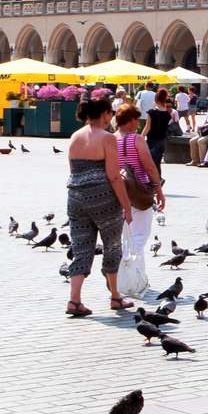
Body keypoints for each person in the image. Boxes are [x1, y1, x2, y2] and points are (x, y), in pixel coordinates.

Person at [64, 97, 131, 317]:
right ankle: (115, 297)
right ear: (104, 114)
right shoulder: (107, 138)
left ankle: (74, 301)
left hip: (75, 197)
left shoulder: (75, 136)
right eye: (110, 113)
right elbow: (113, 175)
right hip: (102, 197)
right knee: (111, 246)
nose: (111, 117)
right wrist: (126, 205)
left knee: (81, 247)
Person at [112, 101, 166, 298]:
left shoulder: (111, 139)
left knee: (123, 237)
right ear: (131, 120)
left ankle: (119, 279)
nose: (139, 123)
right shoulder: (136, 139)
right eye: (137, 119)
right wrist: (158, 189)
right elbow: (150, 166)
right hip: (139, 192)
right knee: (139, 237)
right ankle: (136, 279)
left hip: (118, 192)